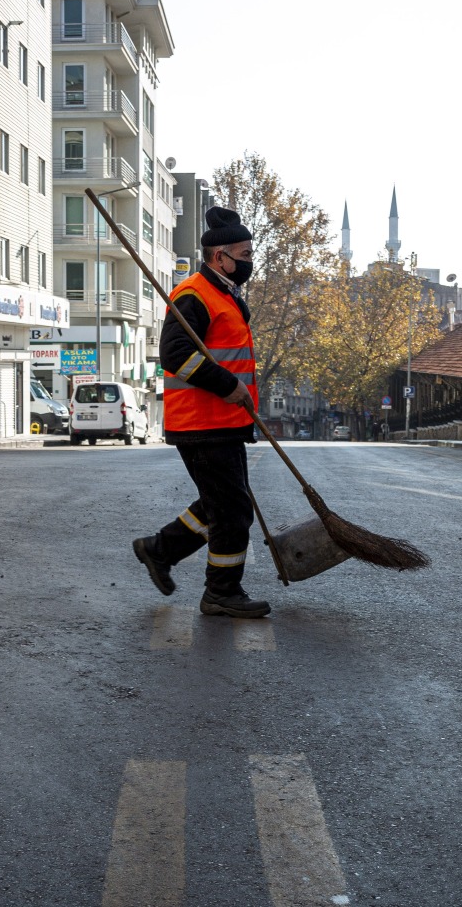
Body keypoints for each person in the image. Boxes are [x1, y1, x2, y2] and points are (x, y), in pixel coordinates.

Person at [132, 205, 271, 618]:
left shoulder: (223, 292)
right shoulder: (193, 293)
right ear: (219, 256)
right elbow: (175, 354)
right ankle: (221, 592)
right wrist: (227, 385)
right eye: (244, 254)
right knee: (231, 510)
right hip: (202, 422)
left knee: (222, 503)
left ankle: (159, 549)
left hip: (225, 421)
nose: (249, 261)